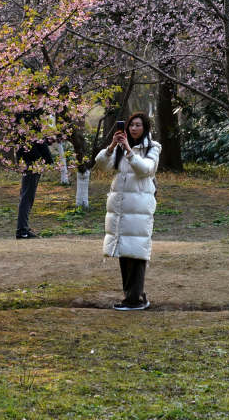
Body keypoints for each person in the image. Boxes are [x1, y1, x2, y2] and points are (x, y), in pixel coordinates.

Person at [94, 112, 162, 311]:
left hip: (139, 206)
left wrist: (129, 151)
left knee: (137, 252)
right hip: (121, 207)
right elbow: (101, 165)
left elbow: (146, 169)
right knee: (124, 251)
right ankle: (132, 296)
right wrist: (113, 146)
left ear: (145, 127)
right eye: (131, 125)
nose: (133, 128)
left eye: (138, 125)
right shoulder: (120, 148)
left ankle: (135, 299)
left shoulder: (153, 147)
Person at [15, 108, 53, 239]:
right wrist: (48, 159)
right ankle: (22, 230)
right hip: (32, 162)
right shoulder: (30, 116)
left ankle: (23, 228)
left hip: (28, 161)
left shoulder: (23, 115)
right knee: (27, 196)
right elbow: (38, 141)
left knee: (26, 195)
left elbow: (39, 139)